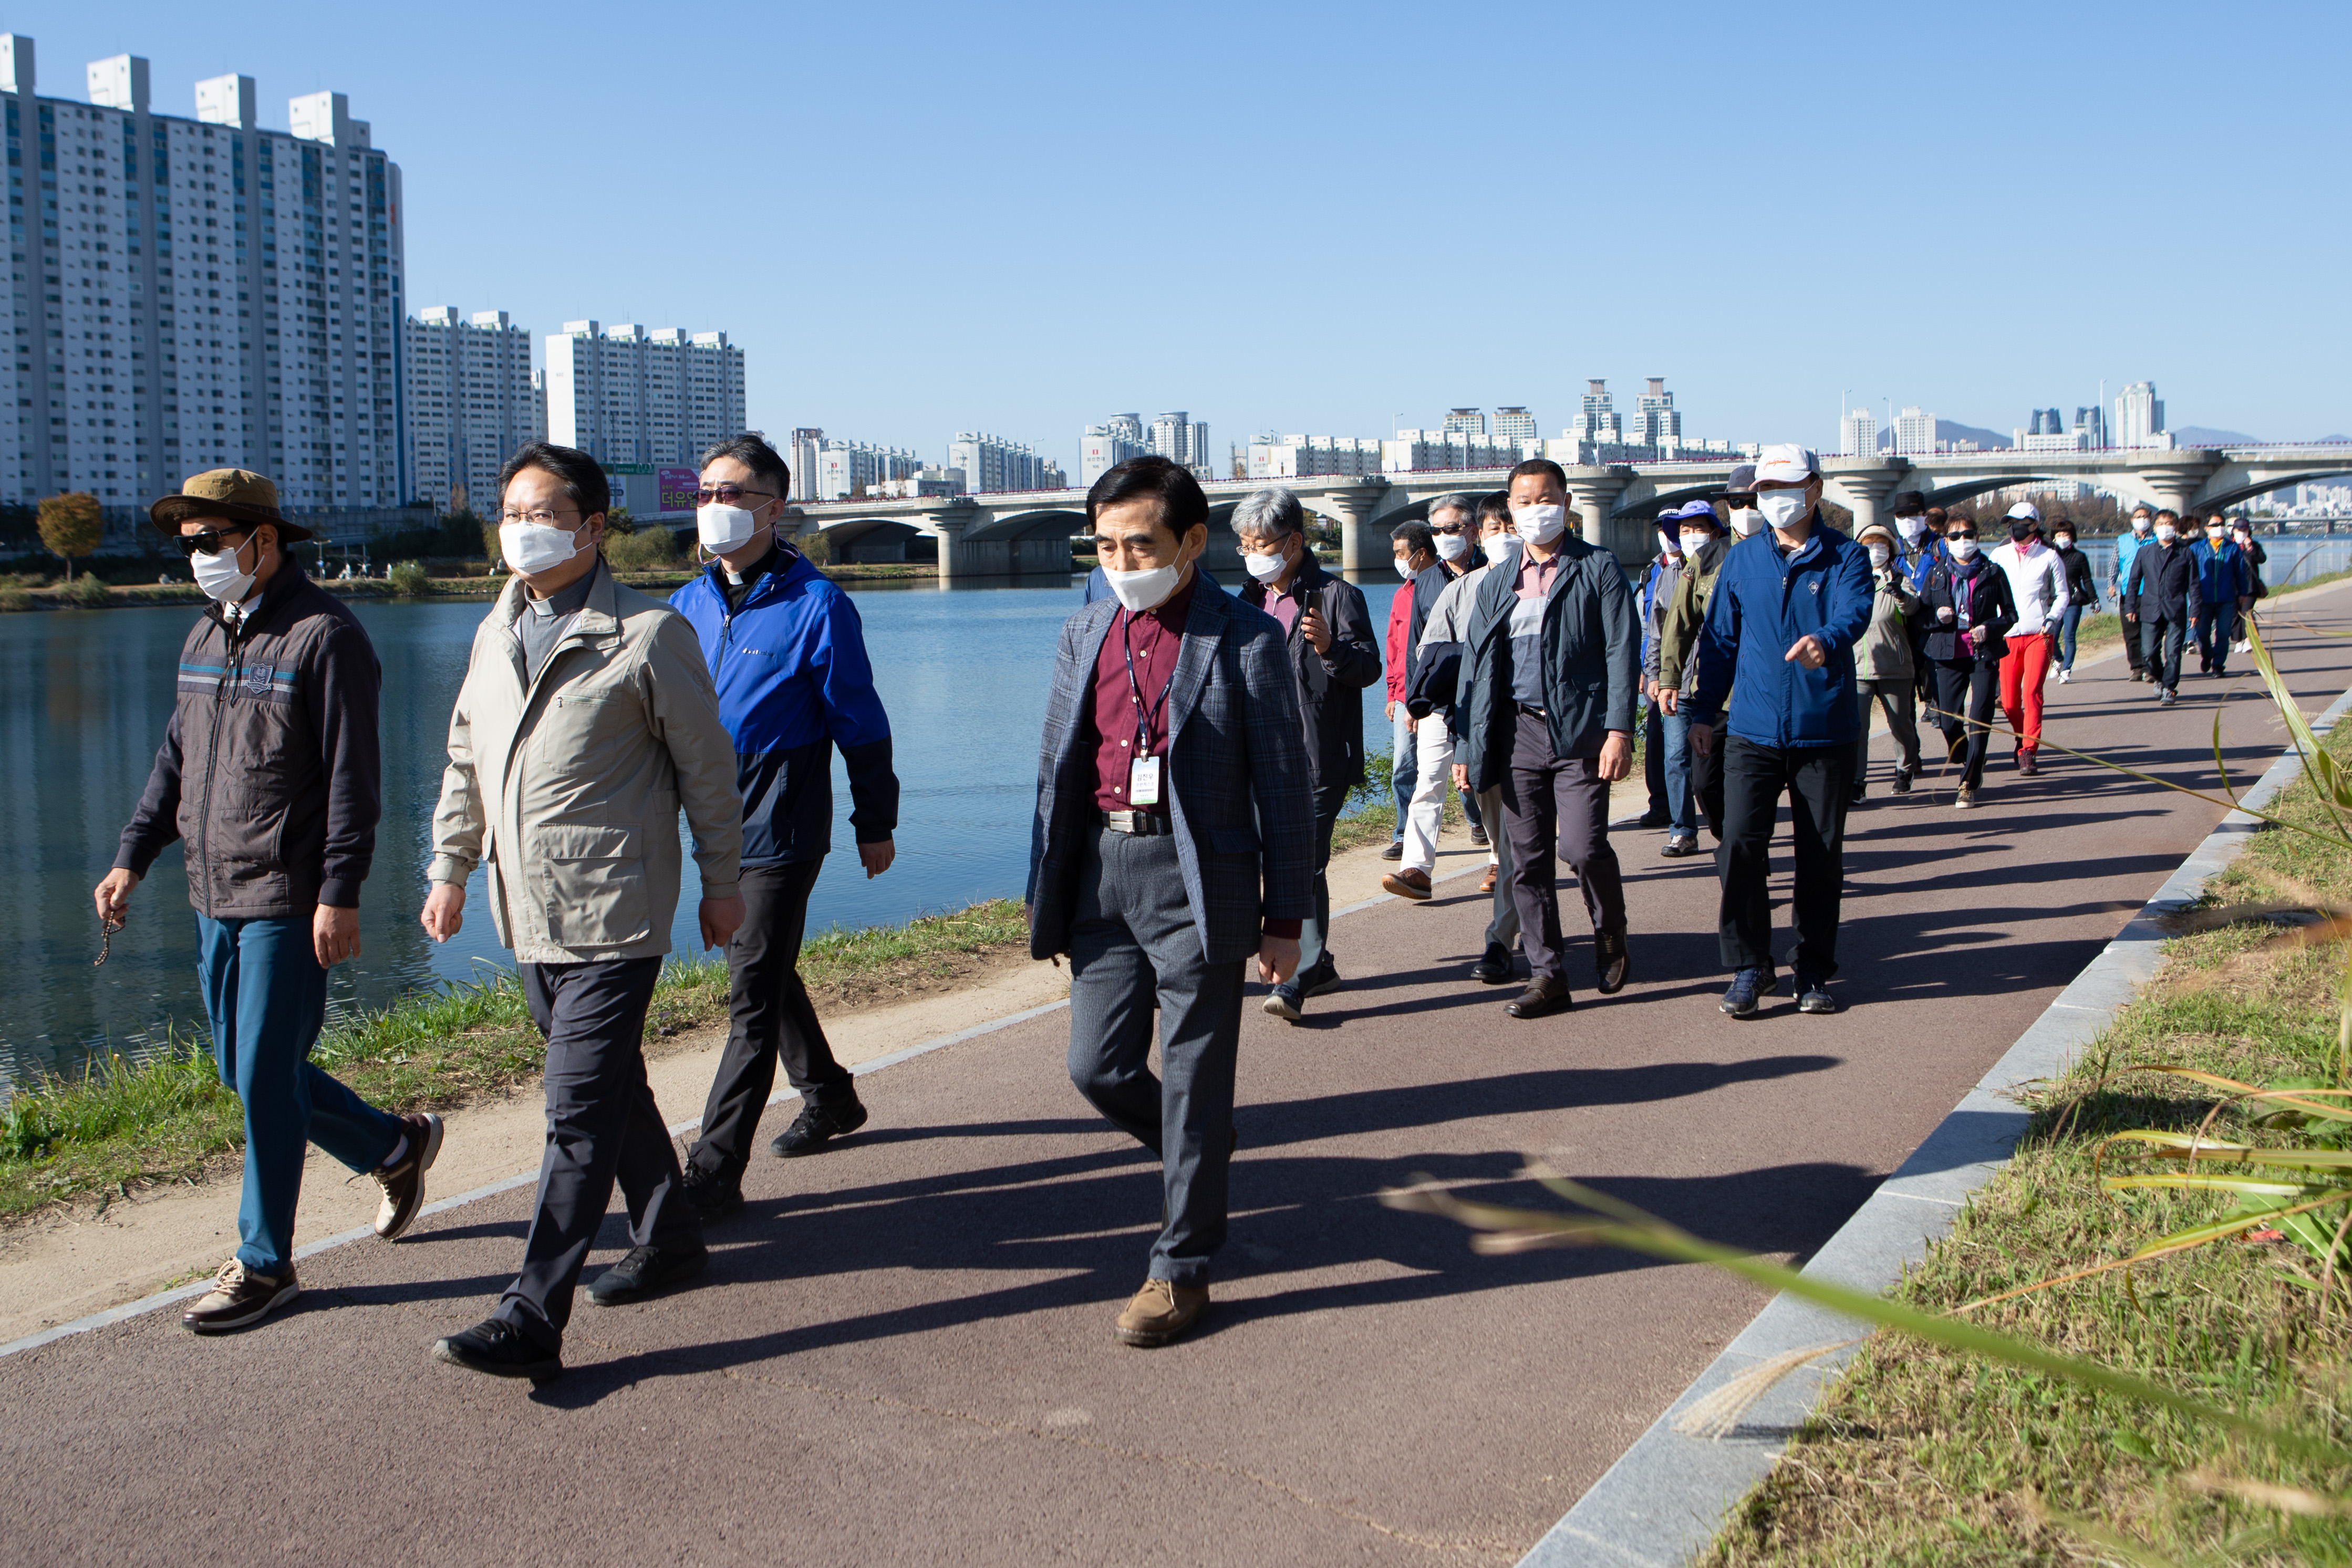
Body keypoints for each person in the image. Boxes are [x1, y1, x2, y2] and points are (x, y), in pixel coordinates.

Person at [421, 441, 746, 1382]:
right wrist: (448, 867)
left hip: (614, 910)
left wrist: (722, 882)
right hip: (525, 909)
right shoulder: (494, 629)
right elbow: (462, 760)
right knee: (609, 1092)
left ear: (594, 527)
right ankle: (671, 1235)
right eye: (512, 513)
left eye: (545, 514)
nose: (524, 530)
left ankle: (532, 1315)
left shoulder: (648, 635)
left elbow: (707, 773)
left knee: (573, 1112)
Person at [97, 468, 440, 1336]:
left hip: (289, 897)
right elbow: (175, 764)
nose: (200, 559)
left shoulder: (327, 638)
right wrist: (132, 857)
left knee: (259, 1074)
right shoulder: (205, 639)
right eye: (190, 546)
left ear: (264, 540)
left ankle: (264, 1264)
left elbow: (354, 783)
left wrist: (340, 892)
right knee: (241, 1071)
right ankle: (392, 1147)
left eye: (213, 542)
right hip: (213, 890)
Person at [1026, 455, 1313, 1348]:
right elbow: (1054, 770)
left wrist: (1283, 918)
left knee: (1194, 1077)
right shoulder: (1085, 632)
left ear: (1191, 541)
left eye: (1139, 543)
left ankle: (1180, 1269)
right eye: (1105, 545)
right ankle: (1199, 1151)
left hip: (1200, 883)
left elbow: (1285, 788)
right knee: (1096, 1068)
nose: (1120, 561)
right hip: (1101, 874)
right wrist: (1045, 885)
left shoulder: (1245, 639)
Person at [665, 434, 900, 1221]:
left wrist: (877, 821)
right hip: (708, 822)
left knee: (748, 991)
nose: (714, 508)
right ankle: (830, 1094)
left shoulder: (818, 603)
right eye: (704, 493)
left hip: (781, 819)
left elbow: (861, 724)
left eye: (731, 494)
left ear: (774, 508)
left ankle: (713, 1170)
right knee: (758, 964)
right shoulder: (686, 603)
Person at [1687, 445, 1872, 1017]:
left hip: (1824, 731)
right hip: (1751, 730)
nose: (1772, 499)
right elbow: (1719, 642)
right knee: (1740, 846)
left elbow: (1855, 611)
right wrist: (1702, 712)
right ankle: (1749, 966)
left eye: (1784, 486)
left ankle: (1813, 970)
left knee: (1819, 855)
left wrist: (1826, 641)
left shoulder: (1845, 556)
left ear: (1815, 488)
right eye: (1763, 489)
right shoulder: (1742, 562)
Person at [1451, 459, 1639, 1021]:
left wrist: (1619, 729)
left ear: (1566, 500)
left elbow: (1620, 652)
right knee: (1527, 862)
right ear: (1510, 509)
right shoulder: (1496, 583)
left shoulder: (1597, 567)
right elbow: (1474, 669)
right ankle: (1546, 974)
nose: (1536, 509)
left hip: (1579, 731)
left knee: (1581, 849)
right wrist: (1467, 745)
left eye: (1546, 498)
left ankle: (1610, 932)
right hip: (1515, 735)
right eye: (1525, 500)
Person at [1234, 486, 1381, 1019]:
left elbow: (1367, 670)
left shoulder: (1337, 596)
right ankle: (1320, 966)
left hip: (1317, 756)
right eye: (1245, 542)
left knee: (1298, 865)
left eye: (1261, 541)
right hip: (1256, 756)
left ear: (1293, 541)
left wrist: (1329, 648)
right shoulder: (1248, 598)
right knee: (1265, 860)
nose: (1253, 551)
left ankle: (1295, 977)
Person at [1386, 494, 1488, 901]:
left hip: (1484, 696)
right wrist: (1414, 701)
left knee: (1483, 783)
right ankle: (1415, 868)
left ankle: (1500, 860)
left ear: (1473, 530)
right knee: (1428, 781)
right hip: (1438, 701)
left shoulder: (1496, 570)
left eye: (1453, 528)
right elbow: (1415, 646)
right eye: (1437, 530)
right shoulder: (1424, 579)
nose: (1445, 537)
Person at [1654, 464, 1753, 848]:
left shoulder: (1788, 555)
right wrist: (1668, 678)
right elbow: (1674, 626)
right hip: (1711, 696)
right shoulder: (1705, 561)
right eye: (1738, 501)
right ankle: (1727, 836)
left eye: (1753, 500)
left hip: (1762, 695)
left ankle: (1746, 852)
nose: (1747, 508)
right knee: (1703, 780)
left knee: (1752, 783)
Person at [1922, 515, 2018, 805]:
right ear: (1946, 541)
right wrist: (1936, 617)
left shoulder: (1994, 572)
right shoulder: (1937, 574)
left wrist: (1990, 628)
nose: (1962, 541)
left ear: (1977, 538)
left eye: (1968, 535)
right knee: (1949, 720)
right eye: (1955, 536)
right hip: (1948, 653)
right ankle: (1969, 757)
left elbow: (2011, 615)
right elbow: (1922, 616)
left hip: (1983, 653)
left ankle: (1969, 782)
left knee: (1980, 717)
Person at [1643, 501, 1722, 850]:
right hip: (1677, 685)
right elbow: (1657, 632)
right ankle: (1683, 830)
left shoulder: (1725, 569)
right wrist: (1656, 674)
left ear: (1714, 532)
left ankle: (1729, 828)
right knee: (1675, 757)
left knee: (1716, 766)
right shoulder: (1664, 577)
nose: (1690, 537)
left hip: (1717, 685)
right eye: (1684, 531)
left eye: (1697, 529)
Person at [1989, 503, 2068, 776]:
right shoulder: (1999, 554)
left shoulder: (2049, 556)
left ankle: (2028, 751)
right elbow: (1987, 589)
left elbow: (2063, 594)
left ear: (2034, 525)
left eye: (2020, 522)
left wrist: (2052, 618)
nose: (2014, 527)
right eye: (2010, 522)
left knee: (2032, 692)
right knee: (2009, 702)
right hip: (2008, 634)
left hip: (2039, 633)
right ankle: (2022, 737)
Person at [1850, 521, 1924, 802]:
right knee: (1857, 728)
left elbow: (1912, 606)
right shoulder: (1852, 580)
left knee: (1900, 723)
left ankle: (1905, 769)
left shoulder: (1899, 579)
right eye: (1869, 545)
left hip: (1894, 665)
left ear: (1890, 550)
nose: (1875, 550)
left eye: (1880, 545)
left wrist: (1901, 595)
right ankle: (1857, 781)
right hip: (1859, 666)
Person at [1380, 522, 1439, 861]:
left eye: (1401, 553)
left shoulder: (1445, 586)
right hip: (1406, 695)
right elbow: (1393, 646)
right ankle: (1403, 834)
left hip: (1443, 692)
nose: (1398, 560)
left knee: (1458, 763)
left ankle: (1477, 820)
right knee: (1403, 767)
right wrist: (1392, 693)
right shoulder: (1402, 593)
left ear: (1420, 553)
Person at [1634, 517, 1685, 830]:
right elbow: (1645, 626)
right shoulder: (1651, 572)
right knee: (1657, 735)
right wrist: (1644, 669)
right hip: (1658, 671)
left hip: (1693, 670)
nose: (1667, 535)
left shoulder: (1704, 565)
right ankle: (1662, 805)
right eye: (1662, 529)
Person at [2123, 510, 2195, 706]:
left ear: (2176, 527)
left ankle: (2170, 688)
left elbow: (2194, 584)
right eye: (2161, 523)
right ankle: (2160, 678)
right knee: (2148, 653)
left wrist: (2195, 610)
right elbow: (2134, 581)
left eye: (2169, 523)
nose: (2165, 527)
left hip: (2176, 610)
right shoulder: (2145, 552)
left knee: (2173, 652)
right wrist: (2130, 606)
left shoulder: (2185, 553)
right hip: (2150, 609)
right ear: (2155, 528)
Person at [2190, 513, 2254, 677]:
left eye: (2221, 524)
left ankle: (2218, 665)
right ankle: (2207, 655)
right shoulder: (2197, 548)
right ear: (2206, 529)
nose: (2218, 528)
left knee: (2223, 633)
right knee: (2202, 634)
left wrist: (2243, 592)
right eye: (2214, 525)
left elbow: (2240, 572)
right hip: (2204, 599)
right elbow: (2189, 574)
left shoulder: (2232, 548)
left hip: (2226, 598)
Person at [2048, 519, 2098, 682]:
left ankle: (2067, 670)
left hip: (2073, 603)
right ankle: (2059, 659)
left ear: (2072, 537)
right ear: (2054, 537)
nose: (2063, 538)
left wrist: (2094, 600)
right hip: (2054, 602)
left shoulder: (2080, 557)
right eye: (2059, 535)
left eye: (2066, 535)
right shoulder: (2049, 555)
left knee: (2069, 635)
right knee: (2052, 637)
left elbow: (2088, 580)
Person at [2112, 505, 2156, 682]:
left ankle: (2150, 667)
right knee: (2131, 633)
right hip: (2128, 593)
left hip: (2151, 593)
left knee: (2151, 632)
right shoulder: (2122, 540)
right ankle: (2137, 667)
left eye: (2145, 516)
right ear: (2132, 520)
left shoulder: (2157, 540)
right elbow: (2114, 564)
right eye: (2138, 516)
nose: (2142, 519)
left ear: (2150, 519)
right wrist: (2110, 583)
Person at [2230, 519, 2268, 653]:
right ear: (2233, 531)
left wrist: (2250, 548)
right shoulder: (2228, 545)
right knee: (2235, 614)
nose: (2241, 533)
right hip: (2232, 586)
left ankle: (2249, 640)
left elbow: (2262, 559)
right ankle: (2239, 640)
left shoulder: (2254, 545)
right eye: (2239, 530)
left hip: (2250, 586)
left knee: (2247, 613)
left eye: (2244, 530)